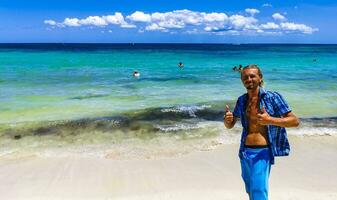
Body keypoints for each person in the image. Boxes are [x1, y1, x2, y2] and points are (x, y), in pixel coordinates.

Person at [224, 64, 300, 200]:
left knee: (258, 191)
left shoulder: (272, 97)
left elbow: (294, 121)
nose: (249, 79)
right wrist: (227, 119)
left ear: (260, 78)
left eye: (252, 76)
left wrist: (270, 120)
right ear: (242, 80)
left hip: (262, 151)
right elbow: (230, 125)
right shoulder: (241, 100)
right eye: (245, 77)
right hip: (244, 152)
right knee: (250, 189)